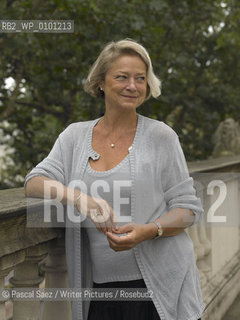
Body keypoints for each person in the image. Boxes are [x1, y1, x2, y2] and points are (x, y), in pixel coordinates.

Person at [25, 38, 205, 320]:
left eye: (140, 79)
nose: (132, 86)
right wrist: (81, 198)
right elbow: (34, 181)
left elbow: (188, 210)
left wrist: (149, 230)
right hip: (100, 291)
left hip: (158, 289)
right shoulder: (74, 136)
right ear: (100, 82)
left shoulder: (162, 137)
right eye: (122, 77)